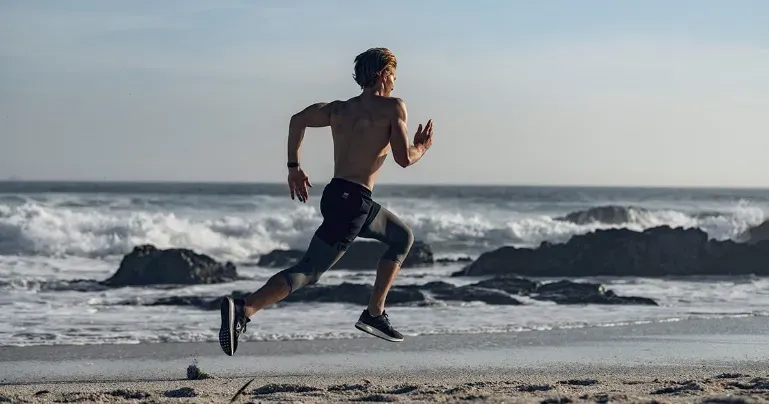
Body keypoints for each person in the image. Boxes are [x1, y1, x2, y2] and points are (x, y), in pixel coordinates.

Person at [218, 47, 435, 356]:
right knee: (309, 270)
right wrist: (422, 147)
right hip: (354, 201)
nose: (395, 84)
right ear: (385, 75)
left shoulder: (338, 109)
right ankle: (244, 309)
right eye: (395, 77)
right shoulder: (393, 108)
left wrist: (293, 168)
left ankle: (374, 314)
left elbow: (297, 120)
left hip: (338, 195)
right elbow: (403, 159)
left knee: (402, 237)